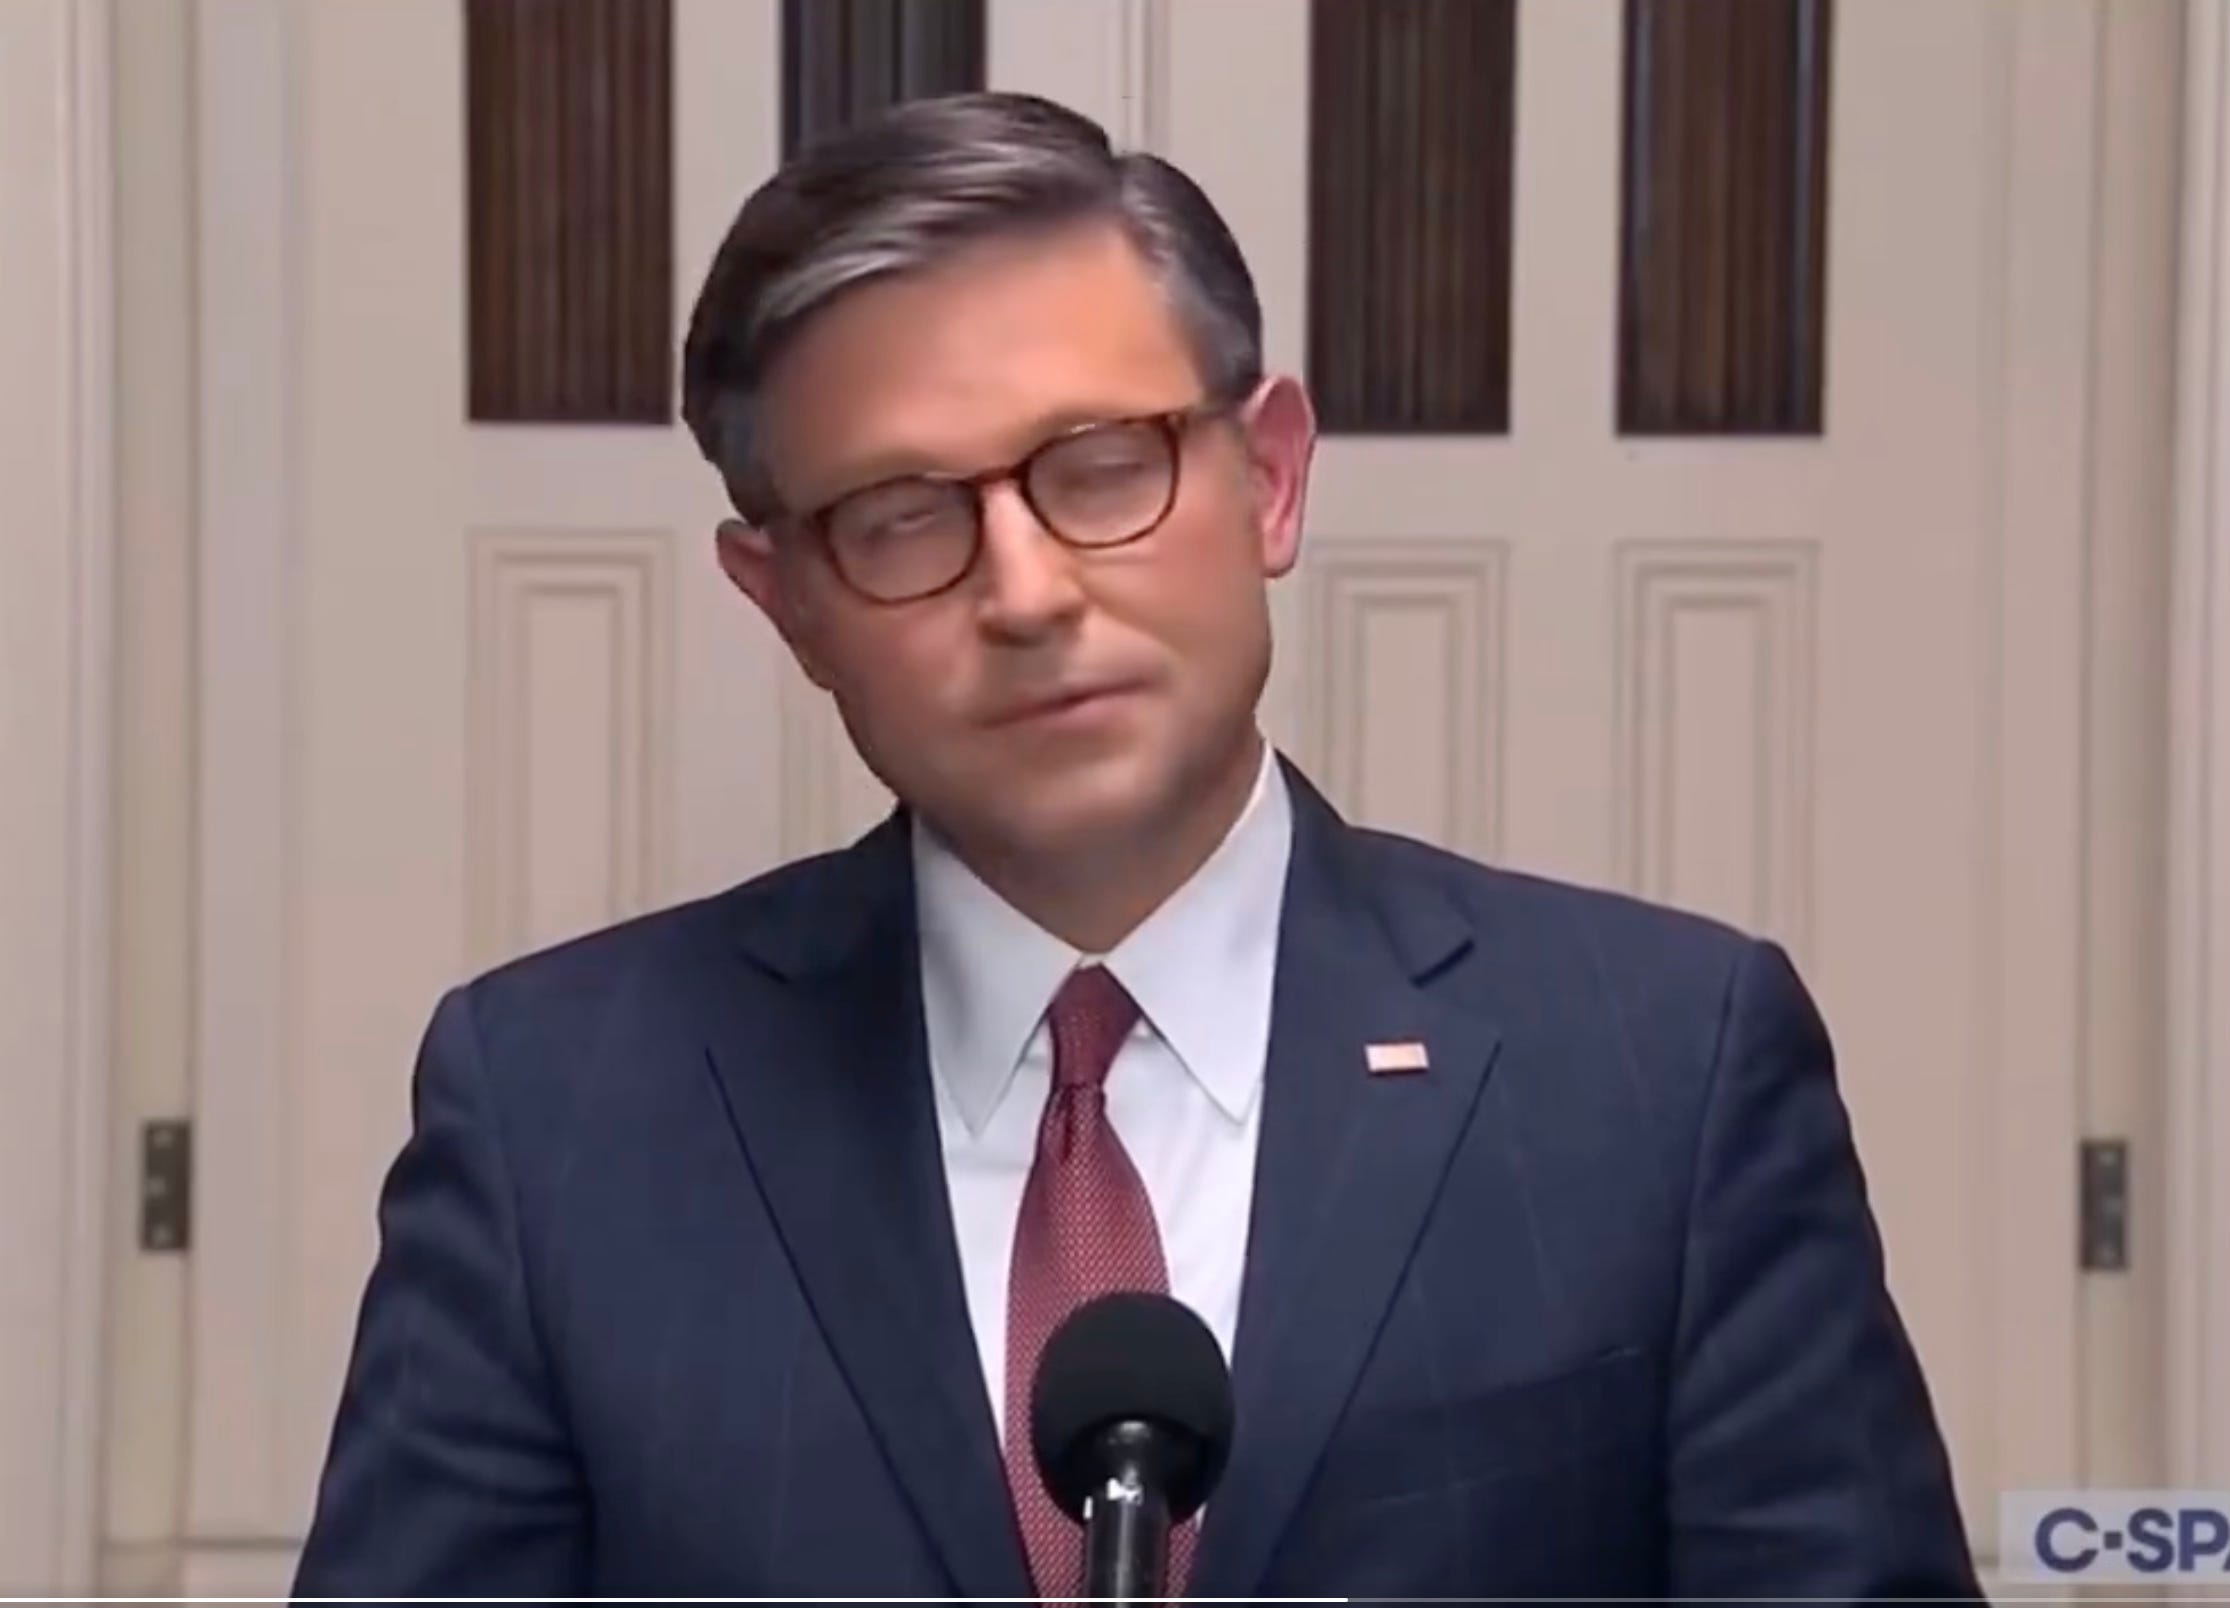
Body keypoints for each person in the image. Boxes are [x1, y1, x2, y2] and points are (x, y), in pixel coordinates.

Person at [295, 90, 1980, 1599]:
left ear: (1271, 480)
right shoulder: (557, 1114)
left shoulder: (1661, 1072)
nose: (1026, 593)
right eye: (902, 519)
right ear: (786, 602)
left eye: (1102, 470)